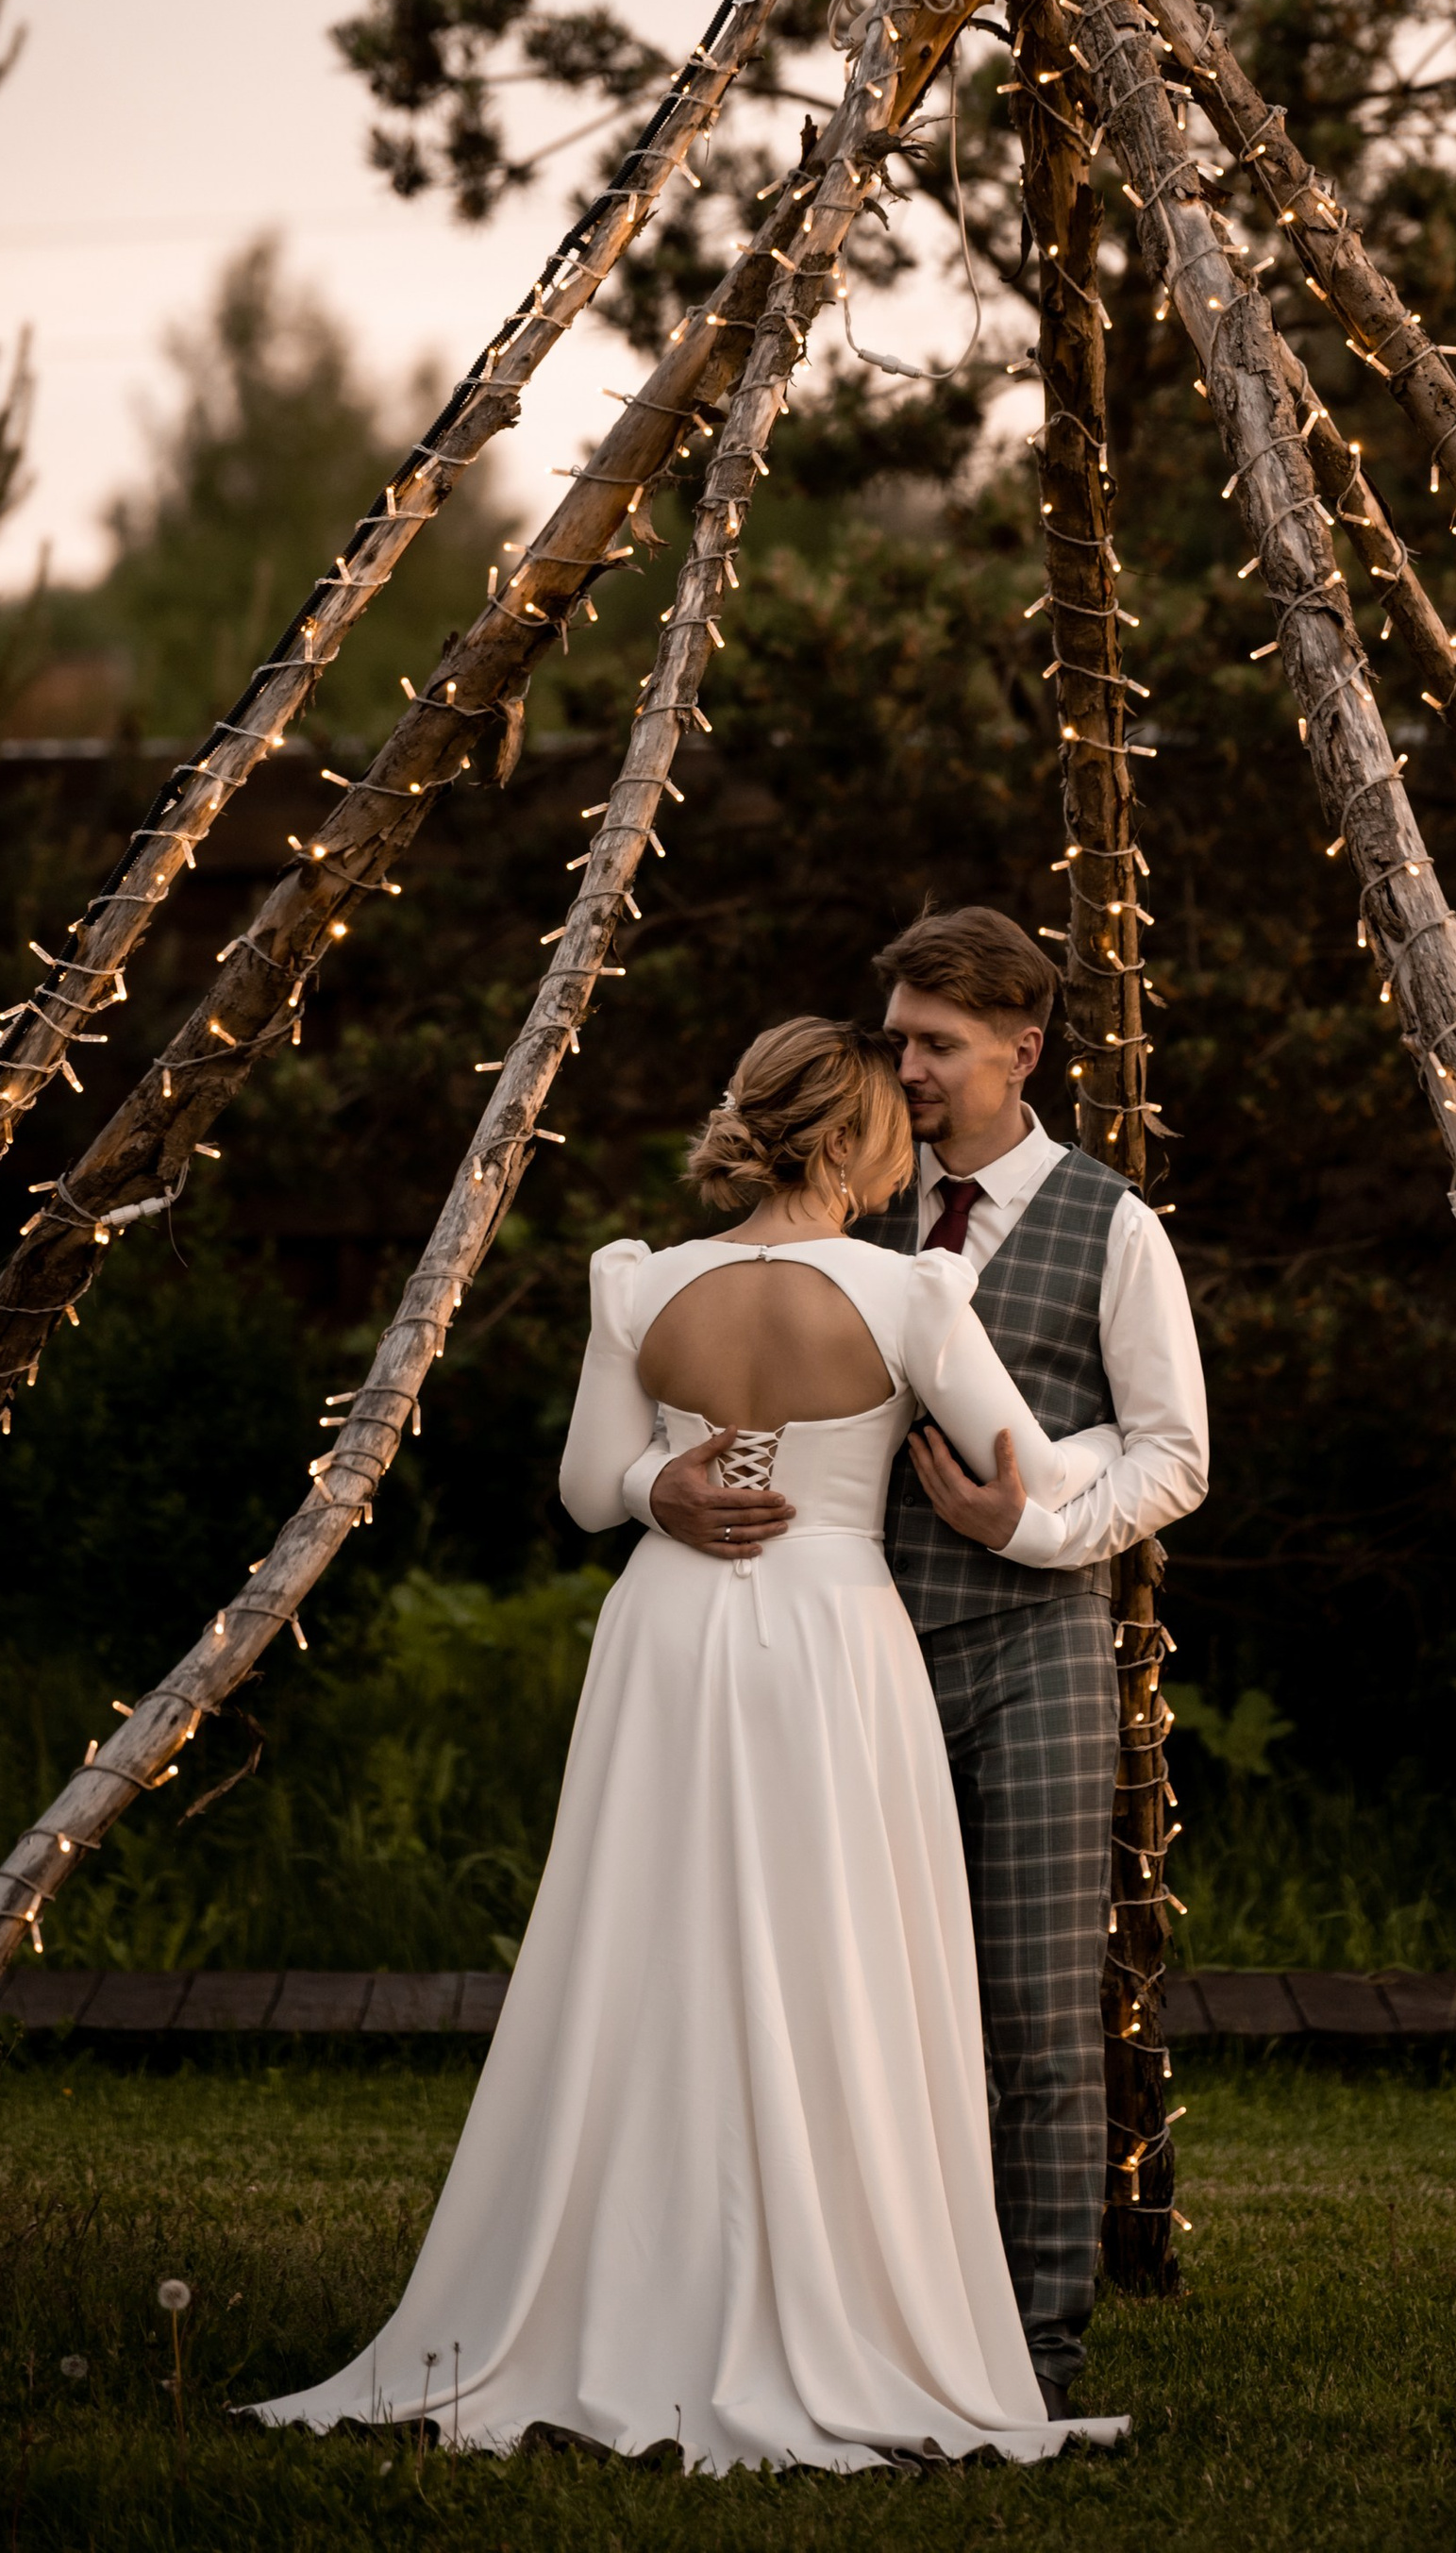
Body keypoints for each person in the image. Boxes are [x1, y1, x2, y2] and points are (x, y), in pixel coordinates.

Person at [254, 1016, 1129, 2473]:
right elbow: (1016, 1469)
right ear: (850, 1140)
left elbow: (592, 1490)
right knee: (834, 1955)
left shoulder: (642, 1281)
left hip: (667, 1637)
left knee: (648, 1945)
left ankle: (634, 2280)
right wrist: (1106, 1454)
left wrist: (671, 1482)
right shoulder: (914, 1290)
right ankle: (839, 2288)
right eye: (891, 1121)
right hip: (836, 1638)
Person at [645, 909, 1208, 2419]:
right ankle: (870, 2322)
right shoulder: (853, 1207)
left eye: (936, 1048)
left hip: (1033, 1658)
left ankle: (1033, 2352)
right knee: (857, 2006)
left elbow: (1176, 1454)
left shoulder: (1115, 1228)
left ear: (1024, 1051)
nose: (907, 1070)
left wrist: (1043, 1519)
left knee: (1033, 2017)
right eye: (897, 1039)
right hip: (847, 1661)